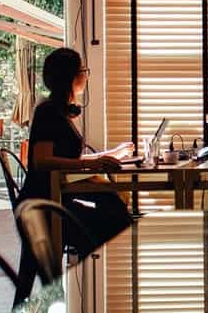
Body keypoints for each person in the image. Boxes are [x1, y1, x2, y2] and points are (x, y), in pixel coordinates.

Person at [16, 47, 134, 255]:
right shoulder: (48, 111)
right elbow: (42, 161)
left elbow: (66, 159)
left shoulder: (58, 109)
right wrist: (92, 163)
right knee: (118, 221)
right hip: (43, 208)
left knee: (115, 210)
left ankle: (101, 276)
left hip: (55, 199)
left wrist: (111, 154)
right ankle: (101, 276)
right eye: (83, 70)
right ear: (71, 76)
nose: (86, 75)